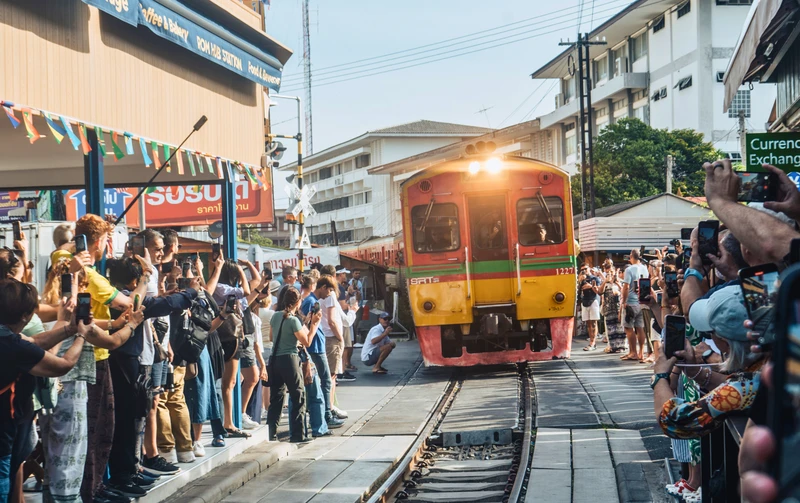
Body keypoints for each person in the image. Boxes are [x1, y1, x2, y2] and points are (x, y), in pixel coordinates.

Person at [0, 279, 92, 502]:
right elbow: (63, 365)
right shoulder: (12, 345)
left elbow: (34, 341)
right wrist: (81, 336)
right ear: (25, 316)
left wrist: (68, 328)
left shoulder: (8, 337)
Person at [266, 287, 321, 443]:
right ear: (298, 302)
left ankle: (271, 433)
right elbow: (307, 341)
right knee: (298, 396)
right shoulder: (293, 320)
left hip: (275, 360)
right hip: (290, 359)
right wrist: (314, 325)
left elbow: (271, 337)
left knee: (276, 398)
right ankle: (298, 435)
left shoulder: (276, 316)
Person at [299, 276, 344, 430]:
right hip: (315, 347)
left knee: (323, 380)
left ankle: (324, 414)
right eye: (329, 290)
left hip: (317, 345)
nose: (329, 293)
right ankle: (326, 414)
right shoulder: (311, 302)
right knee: (326, 380)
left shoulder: (311, 301)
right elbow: (304, 323)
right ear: (322, 287)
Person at [621, 249, 649, 362]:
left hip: (631, 302)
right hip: (641, 301)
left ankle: (633, 352)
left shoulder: (629, 269)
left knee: (628, 327)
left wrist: (623, 301)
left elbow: (626, 286)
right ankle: (641, 352)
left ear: (631, 257)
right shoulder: (644, 268)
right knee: (640, 327)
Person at [336, 267, 358, 379]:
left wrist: (348, 295)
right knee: (344, 346)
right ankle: (342, 370)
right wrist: (352, 308)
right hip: (343, 318)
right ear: (340, 274)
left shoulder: (336, 287)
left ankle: (341, 369)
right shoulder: (338, 286)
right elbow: (342, 305)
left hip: (338, 318)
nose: (345, 276)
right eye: (344, 274)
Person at [600, 266, 627, 353]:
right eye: (608, 273)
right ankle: (612, 346)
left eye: (612, 272)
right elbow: (600, 292)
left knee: (620, 328)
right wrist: (605, 281)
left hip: (619, 308)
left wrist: (617, 283)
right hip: (608, 308)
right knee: (610, 328)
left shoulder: (621, 282)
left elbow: (624, 291)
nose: (610, 274)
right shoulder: (605, 284)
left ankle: (621, 346)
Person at [578, 264, 602, 351]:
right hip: (585, 301)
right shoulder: (581, 279)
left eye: (585, 269)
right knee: (588, 323)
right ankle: (591, 341)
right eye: (582, 269)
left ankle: (593, 342)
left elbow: (599, 290)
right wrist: (579, 281)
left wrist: (591, 286)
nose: (584, 271)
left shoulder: (594, 278)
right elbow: (577, 291)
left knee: (594, 322)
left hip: (593, 300)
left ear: (589, 269)